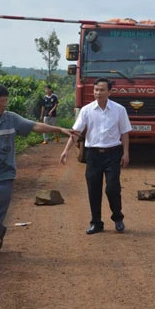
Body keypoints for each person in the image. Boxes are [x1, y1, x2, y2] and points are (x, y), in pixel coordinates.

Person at [0, 83, 75, 269]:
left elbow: (35, 126)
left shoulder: (11, 119)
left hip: (5, 175)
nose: (6, 104)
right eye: (3, 101)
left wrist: (59, 130)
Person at [60, 78, 132, 234]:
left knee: (112, 188)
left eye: (102, 90)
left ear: (109, 92)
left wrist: (126, 153)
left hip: (113, 153)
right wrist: (66, 151)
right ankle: (96, 223)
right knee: (93, 189)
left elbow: (125, 132)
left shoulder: (119, 110)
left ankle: (118, 217)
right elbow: (76, 132)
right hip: (93, 154)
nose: (98, 93)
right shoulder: (86, 110)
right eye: (96, 90)